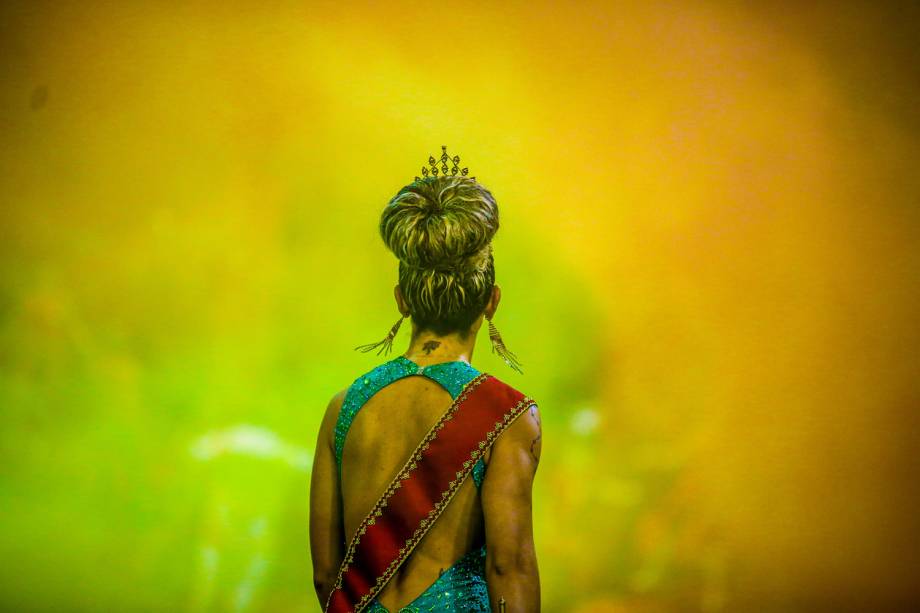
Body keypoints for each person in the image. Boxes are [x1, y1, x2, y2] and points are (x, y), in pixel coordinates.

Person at [310, 147, 542, 613]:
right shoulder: (508, 415)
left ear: (401, 299)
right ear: (492, 300)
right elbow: (508, 567)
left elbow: (325, 574)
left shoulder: (344, 407)